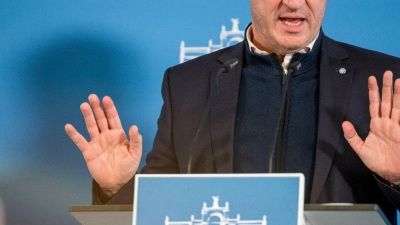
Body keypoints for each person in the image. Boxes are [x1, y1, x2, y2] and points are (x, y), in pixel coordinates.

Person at [65, 0, 400, 223]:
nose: (295, 3)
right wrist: (117, 187)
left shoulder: (384, 79)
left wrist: (395, 177)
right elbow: (164, 204)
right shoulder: (189, 82)